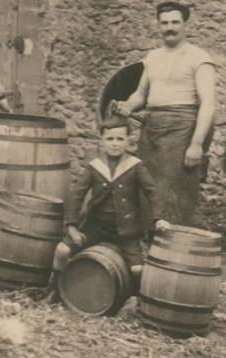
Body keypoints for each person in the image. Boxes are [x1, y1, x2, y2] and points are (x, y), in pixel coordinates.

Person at [112, 1, 215, 226]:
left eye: (175, 22)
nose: (170, 28)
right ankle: (148, 244)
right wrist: (128, 105)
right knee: (147, 187)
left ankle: (173, 251)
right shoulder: (152, 58)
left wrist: (196, 144)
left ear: (185, 24)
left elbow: (208, 103)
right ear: (158, 25)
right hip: (152, 130)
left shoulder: (199, 57)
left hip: (183, 131)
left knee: (176, 195)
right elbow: (140, 94)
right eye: (164, 23)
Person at [53, 116, 169, 279]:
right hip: (95, 227)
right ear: (102, 141)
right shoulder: (95, 166)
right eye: (110, 139)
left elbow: (153, 192)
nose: (115, 143)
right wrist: (72, 226)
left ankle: (133, 299)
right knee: (61, 250)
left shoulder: (135, 166)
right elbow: (77, 195)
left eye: (120, 139)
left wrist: (159, 218)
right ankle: (55, 289)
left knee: (137, 270)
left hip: (125, 231)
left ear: (128, 140)